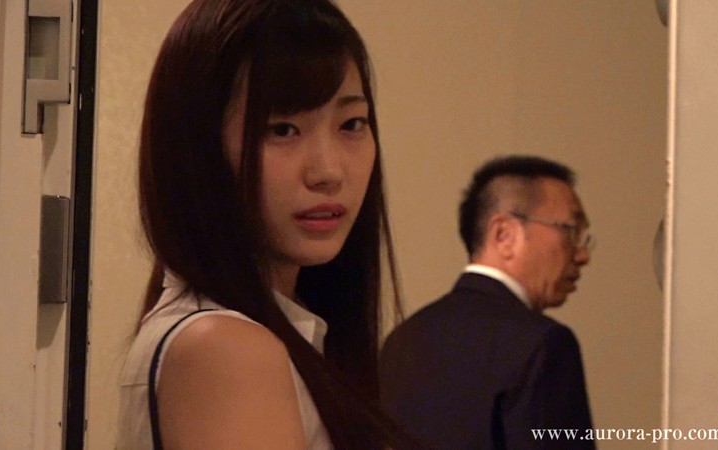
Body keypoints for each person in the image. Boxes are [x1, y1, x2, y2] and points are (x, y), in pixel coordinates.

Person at [117, 0, 414, 448]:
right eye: (282, 130)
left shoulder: (263, 331)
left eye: (351, 123)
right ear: (199, 150)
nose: (328, 171)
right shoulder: (226, 348)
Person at [380, 155, 595, 449]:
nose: (583, 255)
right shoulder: (544, 344)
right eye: (571, 231)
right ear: (504, 235)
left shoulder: (401, 340)